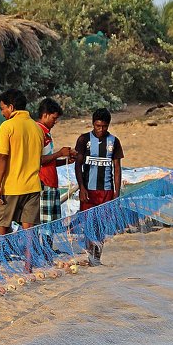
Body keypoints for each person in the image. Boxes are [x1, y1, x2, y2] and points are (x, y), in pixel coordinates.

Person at [74, 108, 124, 264]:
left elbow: (117, 168)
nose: (101, 130)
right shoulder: (84, 140)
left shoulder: (114, 141)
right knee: (89, 224)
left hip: (106, 190)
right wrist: (81, 187)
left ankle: (97, 257)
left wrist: (116, 193)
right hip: (88, 190)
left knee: (101, 225)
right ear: (93, 124)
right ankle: (90, 256)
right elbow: (78, 165)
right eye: (97, 126)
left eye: (104, 127)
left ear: (108, 125)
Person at [0, 90, 43, 235]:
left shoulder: (7, 126)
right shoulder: (37, 128)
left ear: (11, 107)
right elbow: (39, 159)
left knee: (1, 227)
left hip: (11, 187)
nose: (2, 113)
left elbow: (2, 158)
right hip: (33, 187)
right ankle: (29, 259)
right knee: (30, 232)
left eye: (3, 108)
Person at [35, 97, 76, 224]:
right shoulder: (37, 131)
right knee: (45, 225)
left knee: (51, 225)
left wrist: (65, 161)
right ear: (45, 115)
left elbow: (48, 160)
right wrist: (59, 153)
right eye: (54, 118)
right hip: (43, 183)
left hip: (51, 182)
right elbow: (37, 160)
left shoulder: (46, 133)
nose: (55, 122)